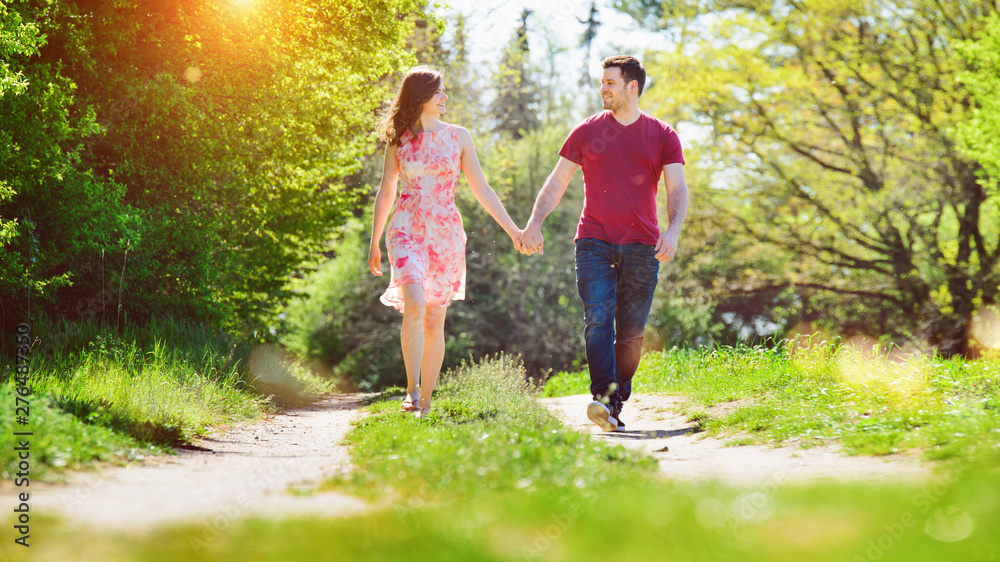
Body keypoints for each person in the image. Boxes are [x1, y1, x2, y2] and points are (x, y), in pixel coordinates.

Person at [519, 55, 689, 431]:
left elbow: (677, 188)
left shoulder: (662, 134)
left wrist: (673, 231)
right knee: (597, 319)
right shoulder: (587, 131)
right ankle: (603, 397)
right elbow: (557, 181)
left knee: (631, 331)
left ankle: (614, 404)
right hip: (593, 241)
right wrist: (534, 223)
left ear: (632, 86)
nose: (603, 89)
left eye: (610, 82)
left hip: (642, 246)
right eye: (602, 82)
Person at [369, 66, 522, 418]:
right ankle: (412, 390)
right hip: (406, 229)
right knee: (415, 303)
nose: (445, 97)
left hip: (445, 233)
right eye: (439, 91)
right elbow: (387, 190)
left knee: (435, 317)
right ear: (420, 95)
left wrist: (513, 230)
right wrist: (374, 242)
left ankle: (426, 401)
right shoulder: (399, 140)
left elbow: (481, 189)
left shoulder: (459, 137)